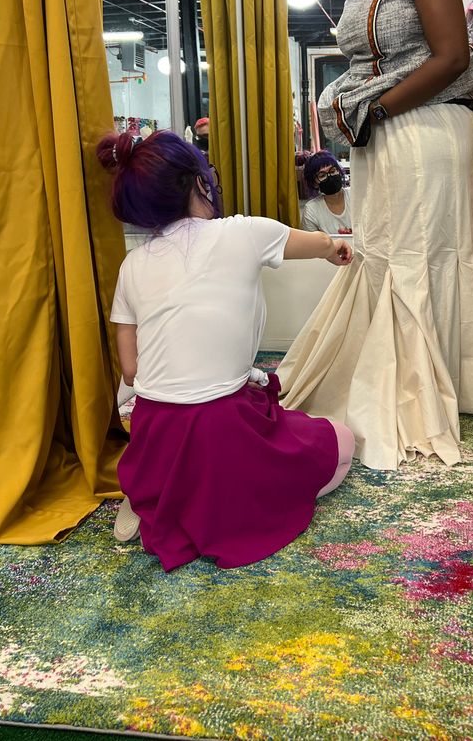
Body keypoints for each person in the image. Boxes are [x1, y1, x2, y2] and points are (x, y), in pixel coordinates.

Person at [278, 0, 473, 471]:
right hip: (382, 133)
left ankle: (438, 388)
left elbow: (452, 58)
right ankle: (422, 375)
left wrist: (377, 107)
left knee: (424, 251)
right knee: (387, 249)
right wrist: (360, 109)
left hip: (428, 128)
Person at [98, 129, 355, 572]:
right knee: (342, 441)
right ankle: (215, 494)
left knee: (172, 434)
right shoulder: (243, 232)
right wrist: (336, 249)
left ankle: (150, 494)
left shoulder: (132, 263)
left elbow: (130, 369)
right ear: (201, 183)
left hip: (153, 428)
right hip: (221, 422)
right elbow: (317, 244)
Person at [301, 151, 352, 235]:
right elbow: (313, 245)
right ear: (314, 183)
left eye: (332, 171)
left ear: (339, 171)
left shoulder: (356, 196)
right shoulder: (311, 210)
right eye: (322, 175)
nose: (330, 177)